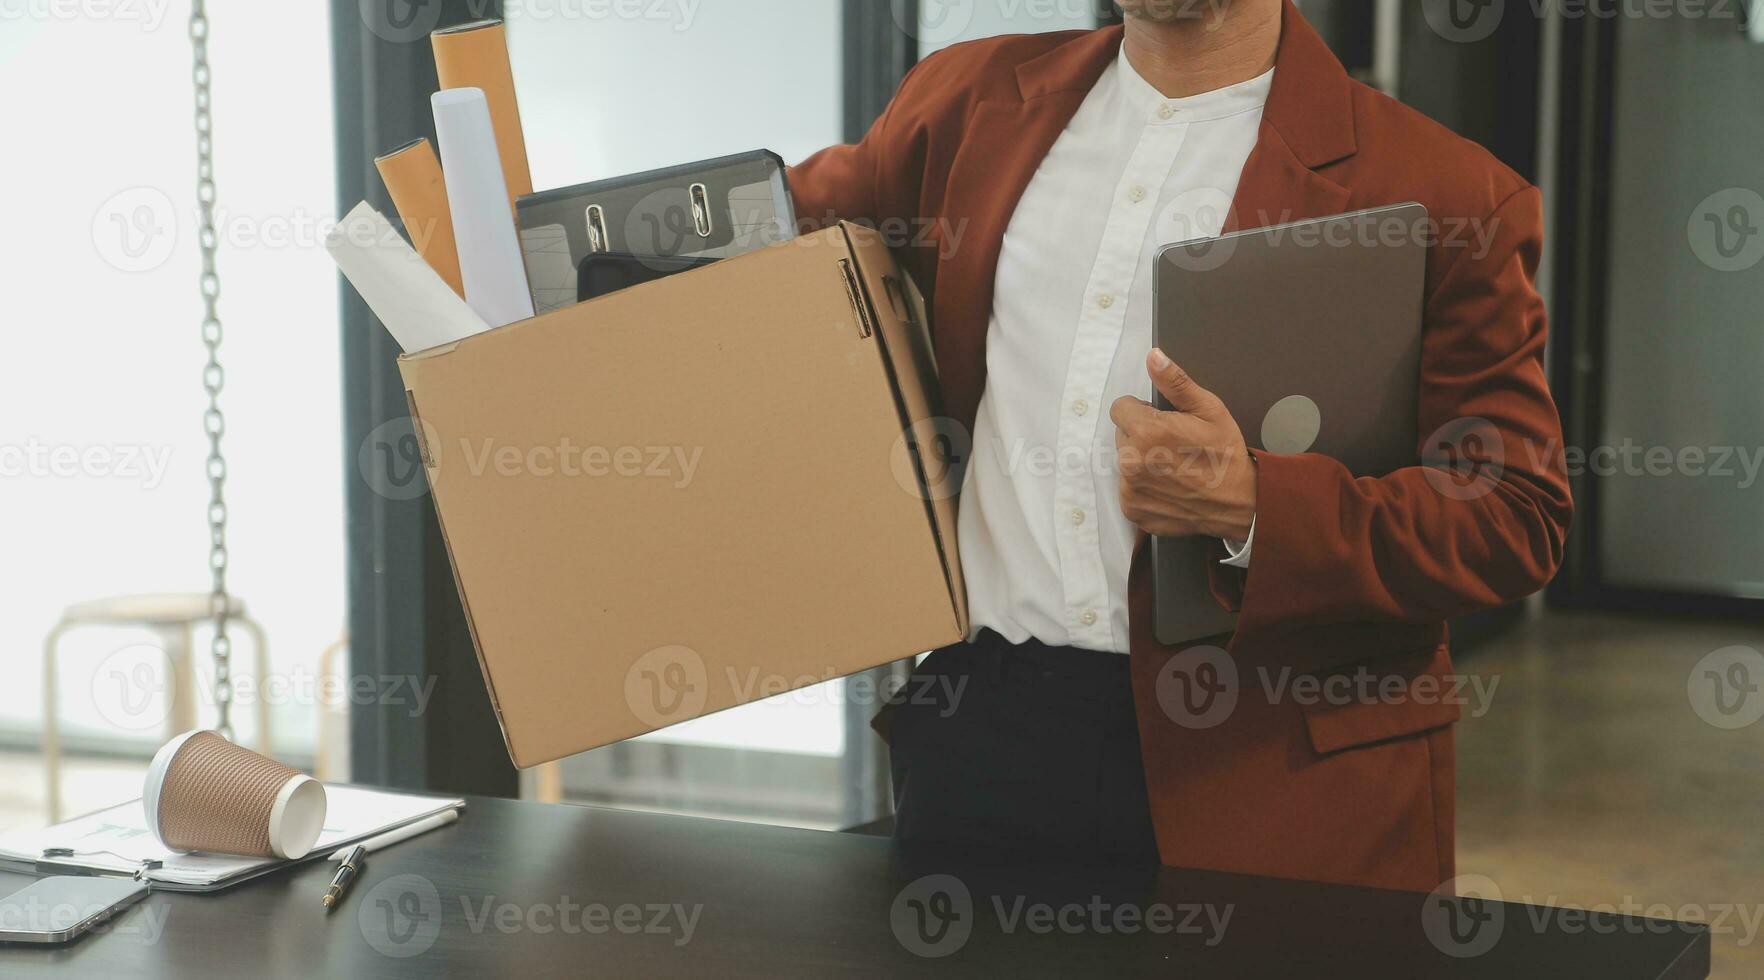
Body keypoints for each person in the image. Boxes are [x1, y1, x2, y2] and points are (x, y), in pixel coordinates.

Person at [790, 0, 1572, 892]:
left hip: (1271, 774)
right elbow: (771, 234)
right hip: (985, 742)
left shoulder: (1447, 192)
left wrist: (1256, 509)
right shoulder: (963, 104)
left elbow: (1517, 514)